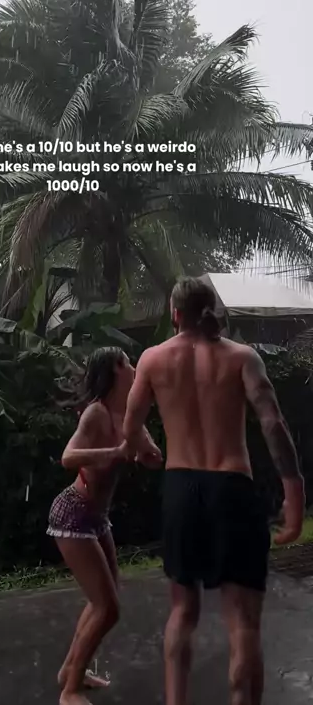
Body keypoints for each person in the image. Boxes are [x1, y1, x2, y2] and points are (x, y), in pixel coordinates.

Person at [123, 277, 305, 705]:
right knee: (243, 623)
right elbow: (273, 423)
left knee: (182, 612)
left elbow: (130, 427)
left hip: (181, 489)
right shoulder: (242, 357)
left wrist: (145, 450)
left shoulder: (152, 359)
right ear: (213, 311)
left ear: (174, 314)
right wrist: (294, 494)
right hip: (232, 488)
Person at [47, 346, 160, 705]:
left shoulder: (129, 413)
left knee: (104, 602)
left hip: (97, 517)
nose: (134, 366)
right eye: (127, 362)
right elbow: (68, 457)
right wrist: (113, 453)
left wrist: (150, 454)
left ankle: (71, 670)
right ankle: (70, 691)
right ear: (115, 370)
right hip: (73, 513)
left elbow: (148, 453)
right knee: (107, 608)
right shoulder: (96, 413)